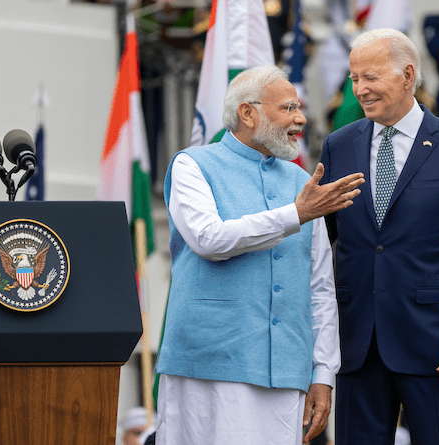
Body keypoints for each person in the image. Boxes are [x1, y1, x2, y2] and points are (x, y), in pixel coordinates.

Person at [155, 65, 365, 445]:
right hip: (207, 365)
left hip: (286, 371)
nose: (300, 118)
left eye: (299, 108)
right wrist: (295, 214)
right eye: (287, 108)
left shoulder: (304, 184)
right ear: (247, 113)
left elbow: (319, 286)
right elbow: (209, 239)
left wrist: (322, 373)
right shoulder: (191, 165)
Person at [319, 28, 439, 445]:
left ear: (407, 75)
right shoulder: (338, 146)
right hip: (358, 348)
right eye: (354, 79)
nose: (360, 90)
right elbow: (319, 245)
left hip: (438, 351)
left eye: (370, 78)